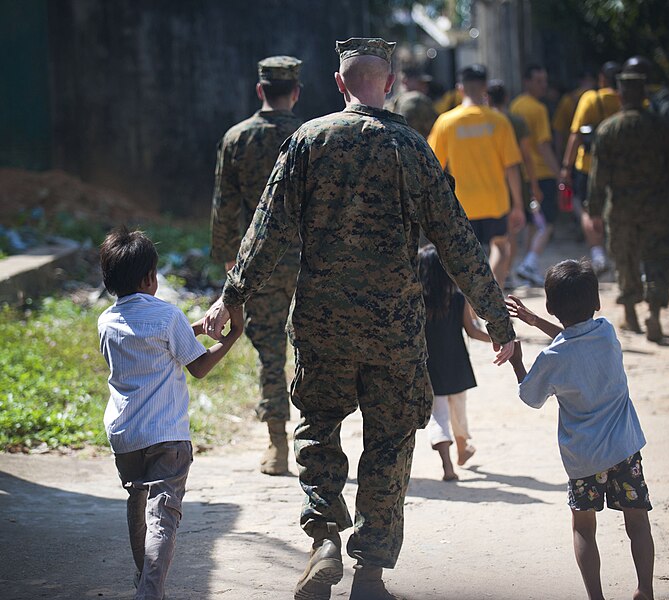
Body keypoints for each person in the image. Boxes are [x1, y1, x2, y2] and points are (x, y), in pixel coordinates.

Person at [202, 38, 516, 600]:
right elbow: (458, 241)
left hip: (322, 321)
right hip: (395, 327)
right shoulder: (412, 148)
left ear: (340, 83)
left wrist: (233, 294)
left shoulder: (308, 140)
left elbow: (267, 228)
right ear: (390, 83)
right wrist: (497, 318)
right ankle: (369, 572)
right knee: (390, 442)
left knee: (319, 427)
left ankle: (323, 539)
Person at [98, 226, 243, 600]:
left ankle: (143, 579)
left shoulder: (106, 322)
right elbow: (197, 367)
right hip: (167, 435)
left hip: (125, 435)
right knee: (164, 515)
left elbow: (154, 339)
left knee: (136, 500)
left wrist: (196, 327)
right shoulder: (168, 315)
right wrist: (230, 338)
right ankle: (150, 591)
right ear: (151, 277)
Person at [506, 259, 654, 600]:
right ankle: (644, 590)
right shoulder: (606, 332)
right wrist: (535, 322)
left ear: (550, 306)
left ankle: (596, 598)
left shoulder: (551, 358)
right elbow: (578, 338)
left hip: (584, 460)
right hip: (624, 449)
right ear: (597, 303)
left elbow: (530, 396)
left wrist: (517, 360)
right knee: (638, 522)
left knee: (584, 528)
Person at [211, 55, 304, 475]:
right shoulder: (308, 136)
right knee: (314, 351)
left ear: (259, 91)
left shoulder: (237, 139)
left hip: (259, 263)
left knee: (270, 353)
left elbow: (224, 210)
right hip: (309, 263)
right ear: (296, 92)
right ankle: (316, 440)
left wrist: (232, 264)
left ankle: (278, 446)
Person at [586, 65, 669, 342]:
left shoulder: (609, 130)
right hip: (659, 206)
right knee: (657, 258)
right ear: (644, 95)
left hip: (622, 209)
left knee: (625, 259)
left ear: (620, 96)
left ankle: (630, 312)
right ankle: (654, 312)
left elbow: (599, 176)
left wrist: (594, 208)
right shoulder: (662, 127)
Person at [428, 64, 525, 286]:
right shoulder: (499, 121)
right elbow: (512, 166)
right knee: (500, 247)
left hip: (463, 203)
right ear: (484, 87)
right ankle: (492, 294)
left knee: (467, 256)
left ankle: (472, 306)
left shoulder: (446, 122)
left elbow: (433, 166)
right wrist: (518, 204)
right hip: (496, 200)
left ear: (460, 88)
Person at [419, 244, 491, 481]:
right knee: (459, 412)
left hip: (430, 366)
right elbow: (471, 331)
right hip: (457, 364)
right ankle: (462, 449)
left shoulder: (419, 302)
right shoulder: (458, 299)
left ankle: (449, 465)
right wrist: (498, 338)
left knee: (438, 416)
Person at [559, 61, 622, 275]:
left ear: (601, 79)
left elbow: (575, 134)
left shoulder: (591, 99)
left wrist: (566, 168)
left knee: (587, 209)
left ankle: (598, 254)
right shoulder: (627, 100)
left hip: (588, 166)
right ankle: (620, 254)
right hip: (619, 166)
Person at [487, 79, 543, 289]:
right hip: (515, 180)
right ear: (507, 98)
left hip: (490, 181)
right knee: (510, 232)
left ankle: (501, 273)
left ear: (487, 97)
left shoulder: (486, 121)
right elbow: (526, 156)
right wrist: (534, 184)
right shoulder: (516, 121)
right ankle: (506, 272)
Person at [509, 64, 562, 286]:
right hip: (541, 173)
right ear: (527, 82)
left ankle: (526, 267)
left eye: (545, 81)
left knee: (531, 223)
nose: (543, 85)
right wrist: (559, 173)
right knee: (547, 224)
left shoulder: (515, 106)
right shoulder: (538, 109)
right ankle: (529, 263)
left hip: (521, 173)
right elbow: (543, 145)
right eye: (539, 81)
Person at [552, 70, 596, 160]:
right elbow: (559, 130)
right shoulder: (568, 101)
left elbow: (558, 130)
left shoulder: (569, 100)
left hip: (581, 153)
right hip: (582, 153)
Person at [385, 65, 438, 138]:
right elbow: (438, 127)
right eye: (420, 83)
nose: (425, 87)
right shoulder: (417, 100)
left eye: (425, 84)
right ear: (405, 81)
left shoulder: (390, 104)